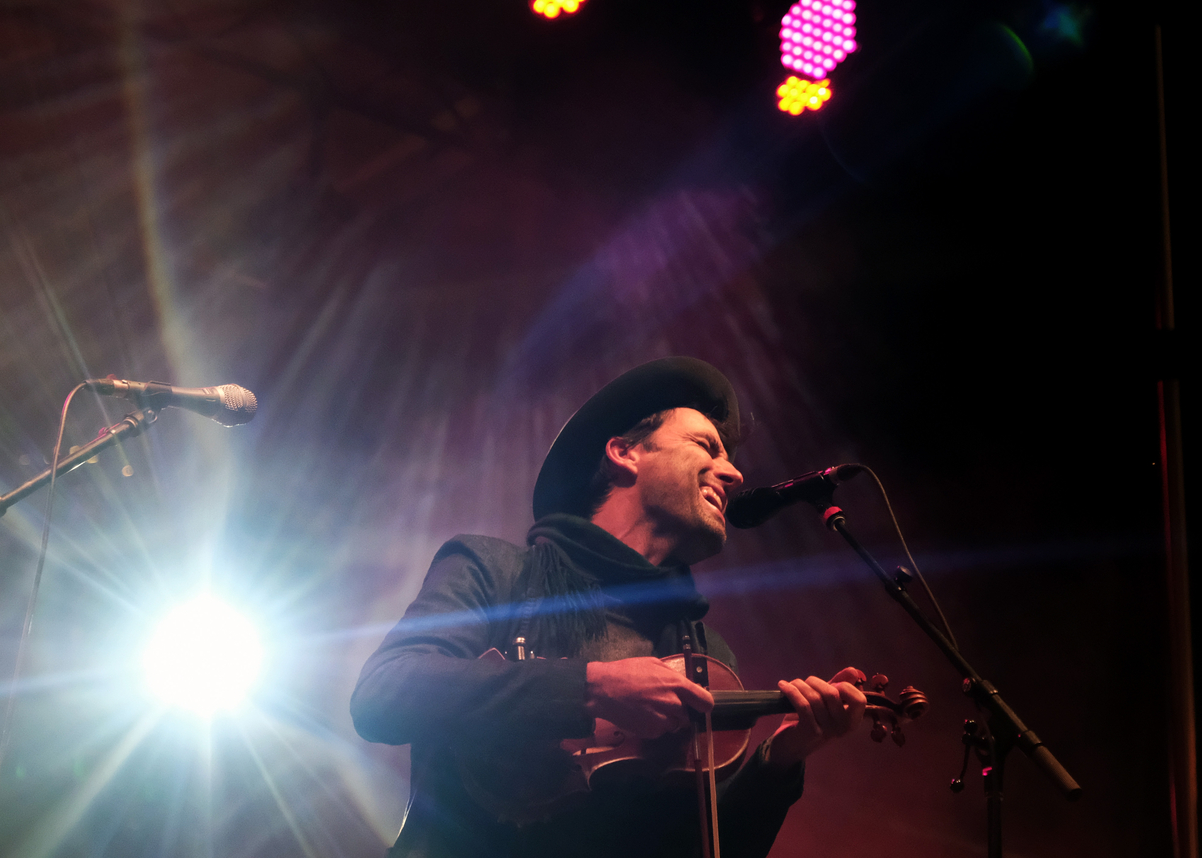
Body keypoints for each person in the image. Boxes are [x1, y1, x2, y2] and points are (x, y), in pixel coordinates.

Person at [351, 357, 867, 858]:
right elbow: (385, 694)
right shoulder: (494, 569)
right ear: (624, 452)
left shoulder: (702, 652)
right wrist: (590, 687)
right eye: (705, 446)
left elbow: (701, 848)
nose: (731, 474)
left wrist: (779, 764)